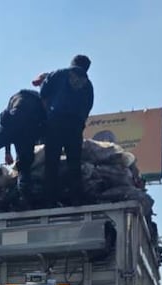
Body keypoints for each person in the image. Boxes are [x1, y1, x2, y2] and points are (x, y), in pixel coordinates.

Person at [32, 55, 94, 206]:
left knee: (51, 162)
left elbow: (43, 93)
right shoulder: (88, 85)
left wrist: (48, 113)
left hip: (55, 123)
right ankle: (76, 198)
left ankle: (50, 199)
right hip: (75, 126)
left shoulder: (58, 74)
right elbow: (88, 106)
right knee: (74, 163)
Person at [0, 89, 46, 207]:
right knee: (24, 167)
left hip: (13, 121)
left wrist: (7, 152)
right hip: (28, 129)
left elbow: (8, 123)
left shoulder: (17, 97)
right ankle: (25, 197)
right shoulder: (39, 101)